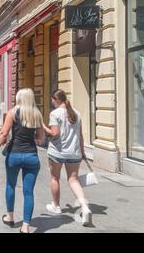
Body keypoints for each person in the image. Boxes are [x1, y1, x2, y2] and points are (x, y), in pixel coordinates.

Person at [0, 88, 45, 234]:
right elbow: (41, 139)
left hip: (14, 155)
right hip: (31, 156)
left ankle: (10, 217)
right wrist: (32, 140)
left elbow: (3, 133)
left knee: (10, 186)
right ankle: (25, 226)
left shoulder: (12, 112)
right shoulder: (37, 114)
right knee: (28, 192)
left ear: (19, 98)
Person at [43, 89, 92, 226]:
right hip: (74, 152)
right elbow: (80, 135)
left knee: (54, 178)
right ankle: (84, 207)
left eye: (52, 99)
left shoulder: (55, 113)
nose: (52, 102)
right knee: (73, 180)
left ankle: (56, 206)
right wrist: (82, 152)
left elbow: (55, 134)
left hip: (57, 152)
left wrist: (43, 127)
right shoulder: (76, 113)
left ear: (57, 100)